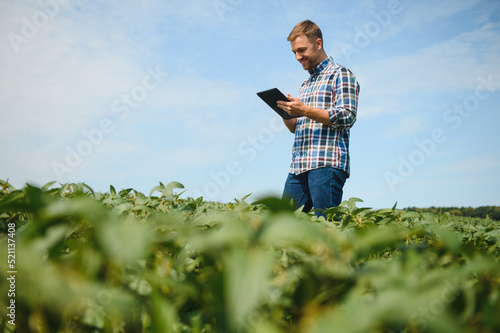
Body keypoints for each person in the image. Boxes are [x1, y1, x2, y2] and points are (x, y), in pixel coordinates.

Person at [277, 19, 360, 217]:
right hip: (299, 166)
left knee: (328, 226)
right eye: (294, 52)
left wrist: (304, 110)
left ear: (318, 44)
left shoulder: (340, 74)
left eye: (302, 50)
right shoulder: (306, 84)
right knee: (281, 224)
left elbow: (347, 116)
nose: (298, 57)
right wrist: (285, 112)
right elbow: (295, 128)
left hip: (326, 163)